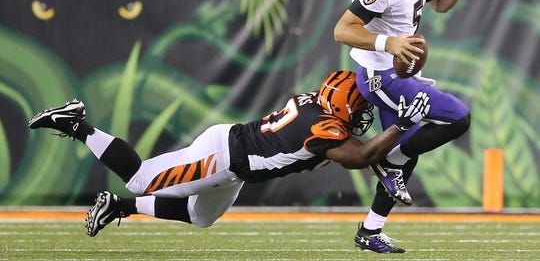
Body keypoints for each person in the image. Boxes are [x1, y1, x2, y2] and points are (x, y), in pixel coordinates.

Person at [28, 70, 430, 248]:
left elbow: (356, 149)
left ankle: (119, 207)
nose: (361, 118)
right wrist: (401, 128)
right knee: (140, 177)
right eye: (358, 109)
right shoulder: (323, 127)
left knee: (202, 217)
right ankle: (77, 123)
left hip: (235, 162)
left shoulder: (317, 108)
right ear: (341, 105)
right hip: (221, 157)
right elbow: (359, 158)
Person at [333, 0, 475, 253]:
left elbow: (441, 5)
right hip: (380, 75)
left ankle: (370, 230)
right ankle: (389, 161)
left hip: (397, 71)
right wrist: (389, 42)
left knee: (405, 155)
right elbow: (342, 30)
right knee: (458, 117)